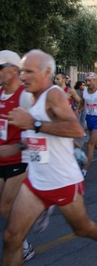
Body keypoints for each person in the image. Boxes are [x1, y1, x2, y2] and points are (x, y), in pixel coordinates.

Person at [3, 49, 97, 266]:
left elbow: (76, 130)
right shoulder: (26, 96)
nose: (23, 76)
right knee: (12, 237)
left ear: (47, 72)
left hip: (63, 180)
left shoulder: (53, 94)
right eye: (22, 71)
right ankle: (44, 209)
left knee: (82, 228)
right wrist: (18, 147)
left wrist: (33, 124)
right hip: (35, 180)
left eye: (29, 72)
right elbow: (34, 136)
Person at [0, 50, 36, 262]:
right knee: (3, 205)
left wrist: (17, 147)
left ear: (14, 70)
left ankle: (23, 245)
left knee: (5, 205)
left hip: (19, 158)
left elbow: (39, 129)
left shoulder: (25, 96)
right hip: (1, 158)